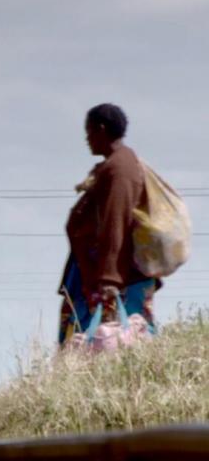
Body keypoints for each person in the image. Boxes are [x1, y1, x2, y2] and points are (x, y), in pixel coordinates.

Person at [58, 103, 158, 345]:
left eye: (89, 132)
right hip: (100, 273)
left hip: (116, 277)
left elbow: (116, 222)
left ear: (101, 129)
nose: (87, 139)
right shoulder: (113, 165)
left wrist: (110, 281)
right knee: (99, 341)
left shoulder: (121, 169)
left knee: (115, 339)